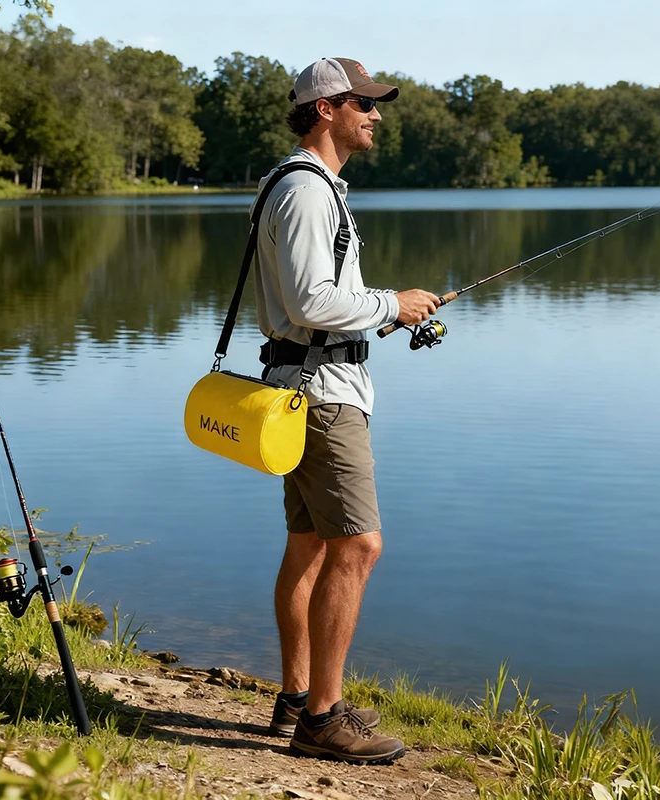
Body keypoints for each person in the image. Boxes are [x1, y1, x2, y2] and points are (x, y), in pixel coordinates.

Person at [253, 57, 440, 764]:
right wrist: (392, 303)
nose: (376, 113)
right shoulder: (306, 191)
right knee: (358, 546)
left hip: (304, 385)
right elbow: (308, 303)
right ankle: (323, 718)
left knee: (309, 545)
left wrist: (379, 314)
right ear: (326, 109)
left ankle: (299, 696)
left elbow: (319, 306)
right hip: (324, 399)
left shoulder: (302, 184)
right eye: (365, 102)